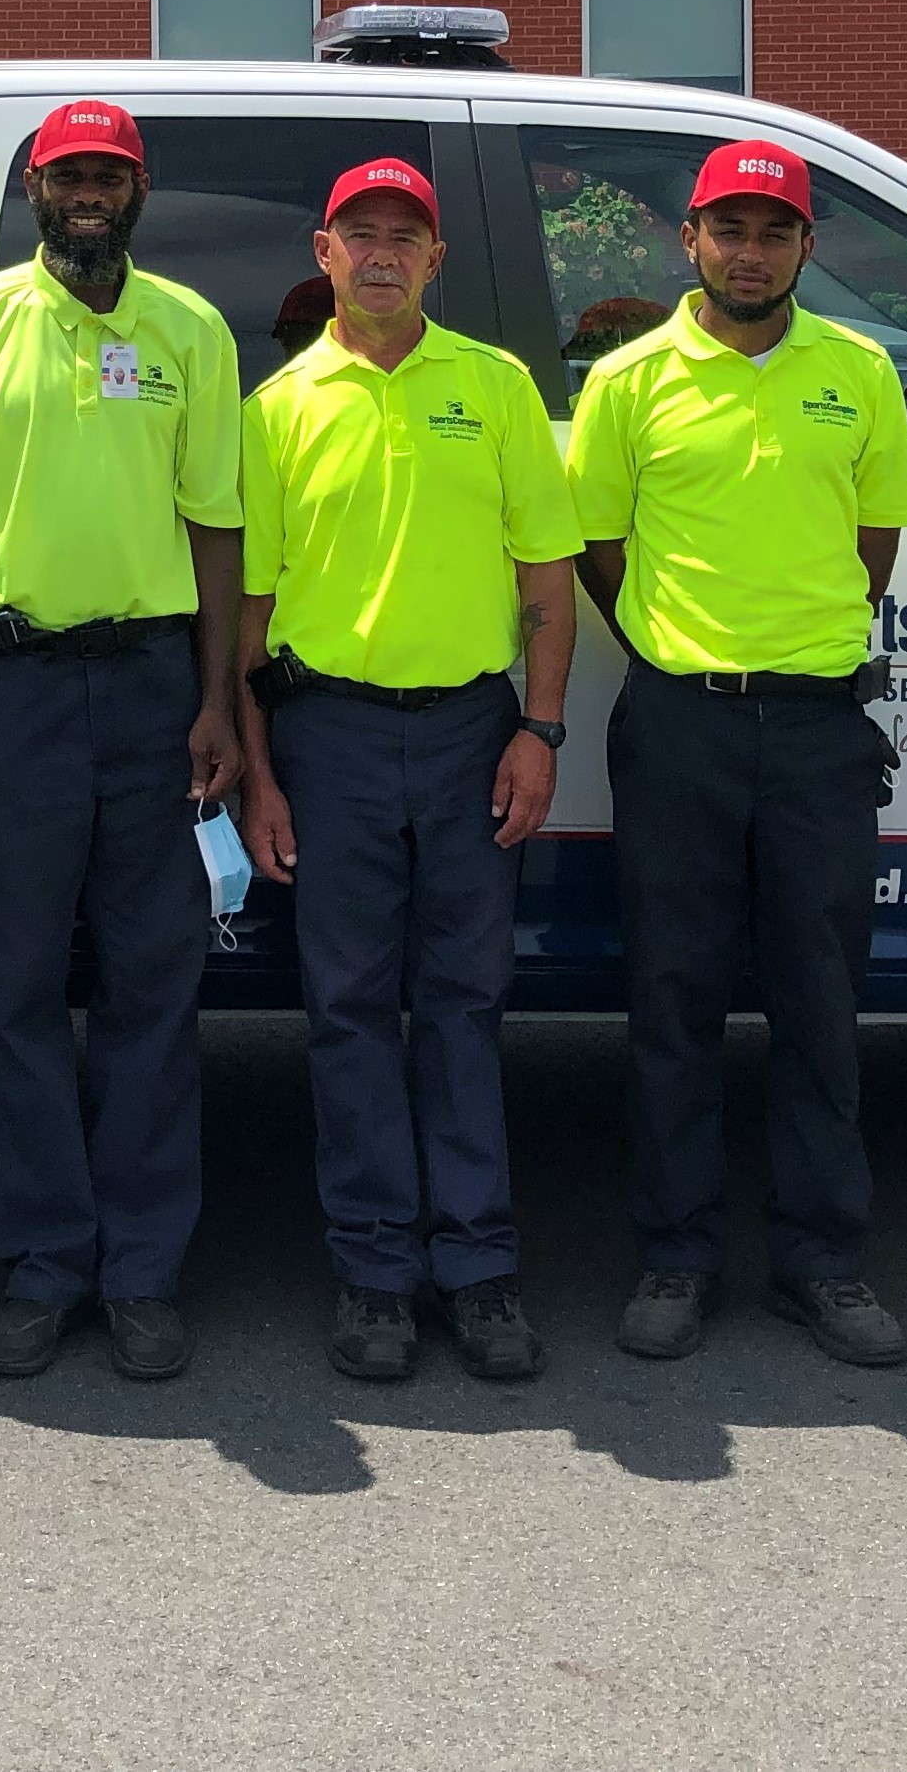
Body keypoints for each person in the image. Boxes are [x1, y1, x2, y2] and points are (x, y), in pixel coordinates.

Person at [567, 138, 907, 1368]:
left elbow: (873, 546)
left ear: (806, 248)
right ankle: (676, 1256)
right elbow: (597, 552)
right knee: (673, 996)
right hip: (681, 723)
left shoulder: (862, 372)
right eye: (730, 229)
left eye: (775, 232)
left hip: (822, 726)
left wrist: (793, 652)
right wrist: (689, 654)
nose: (751, 252)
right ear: (692, 243)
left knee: (822, 1000)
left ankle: (822, 1262)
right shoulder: (626, 382)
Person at [0, 99, 242, 1384]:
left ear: (139, 191)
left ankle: (144, 1271)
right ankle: (46, 1263)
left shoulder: (190, 329)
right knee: (18, 986)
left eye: (109, 175)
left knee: (157, 986)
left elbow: (217, 530)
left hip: (156, 688)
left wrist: (217, 703)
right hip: (12, 695)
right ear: (33, 194)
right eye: (66, 176)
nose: (87, 193)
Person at [237, 159, 582, 1383]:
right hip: (325, 739)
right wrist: (261, 780)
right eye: (361, 236)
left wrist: (538, 732)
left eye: (407, 238)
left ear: (436, 261)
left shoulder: (493, 391)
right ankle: (375, 1273)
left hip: (468, 738)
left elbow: (547, 578)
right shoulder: (276, 410)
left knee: (464, 1005)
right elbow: (251, 608)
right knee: (343, 1012)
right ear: (322, 253)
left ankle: (480, 1270)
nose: (383, 254)